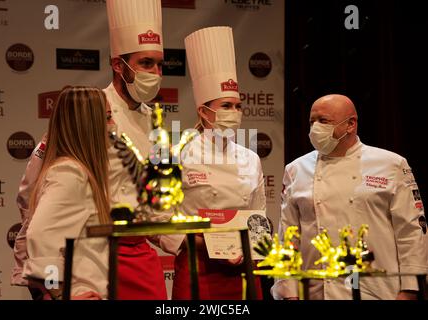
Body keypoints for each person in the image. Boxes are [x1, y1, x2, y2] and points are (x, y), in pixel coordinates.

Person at [12, 0, 168, 300]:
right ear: (118, 65)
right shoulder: (90, 111)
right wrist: (46, 286)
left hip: (140, 257)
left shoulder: (156, 122)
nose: (156, 72)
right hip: (93, 254)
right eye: (146, 63)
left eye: (160, 64)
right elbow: (32, 189)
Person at [271, 94, 428, 300]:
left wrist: (410, 289)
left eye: (323, 121)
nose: (315, 128)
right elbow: (288, 237)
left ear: (350, 124)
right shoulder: (295, 169)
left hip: (377, 290)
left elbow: (411, 231)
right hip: (315, 290)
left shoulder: (391, 164)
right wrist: (288, 291)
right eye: (312, 121)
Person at [166, 26, 267, 300]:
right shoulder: (177, 154)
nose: (234, 113)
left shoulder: (250, 159)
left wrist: (251, 249)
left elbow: (258, 216)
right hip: (197, 268)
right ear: (203, 111)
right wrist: (199, 244)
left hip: (244, 269)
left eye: (237, 106)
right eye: (226, 106)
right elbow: (161, 218)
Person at [22, 86, 111, 300]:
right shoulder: (70, 173)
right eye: (107, 118)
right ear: (87, 125)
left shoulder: (78, 171)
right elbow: (39, 237)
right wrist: (59, 294)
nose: (113, 125)